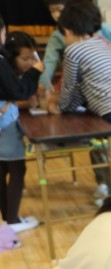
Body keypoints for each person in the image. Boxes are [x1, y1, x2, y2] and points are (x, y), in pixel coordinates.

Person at [48, 0, 111, 182]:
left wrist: (58, 107)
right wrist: (66, 104)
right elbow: (82, 89)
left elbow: (69, 87)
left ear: (67, 31)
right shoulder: (99, 43)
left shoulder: (73, 50)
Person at [0, 25, 43, 233]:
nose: (30, 62)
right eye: (25, 59)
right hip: (5, 124)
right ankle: (13, 220)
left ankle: (9, 217)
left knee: (2, 170)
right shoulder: (2, 62)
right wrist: (35, 73)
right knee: (17, 169)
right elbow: (16, 91)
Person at [41, 0, 111, 87]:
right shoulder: (57, 36)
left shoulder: (99, 27)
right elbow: (50, 61)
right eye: (52, 11)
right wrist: (44, 83)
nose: (56, 15)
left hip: (101, 81)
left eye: (60, 10)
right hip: (77, 82)